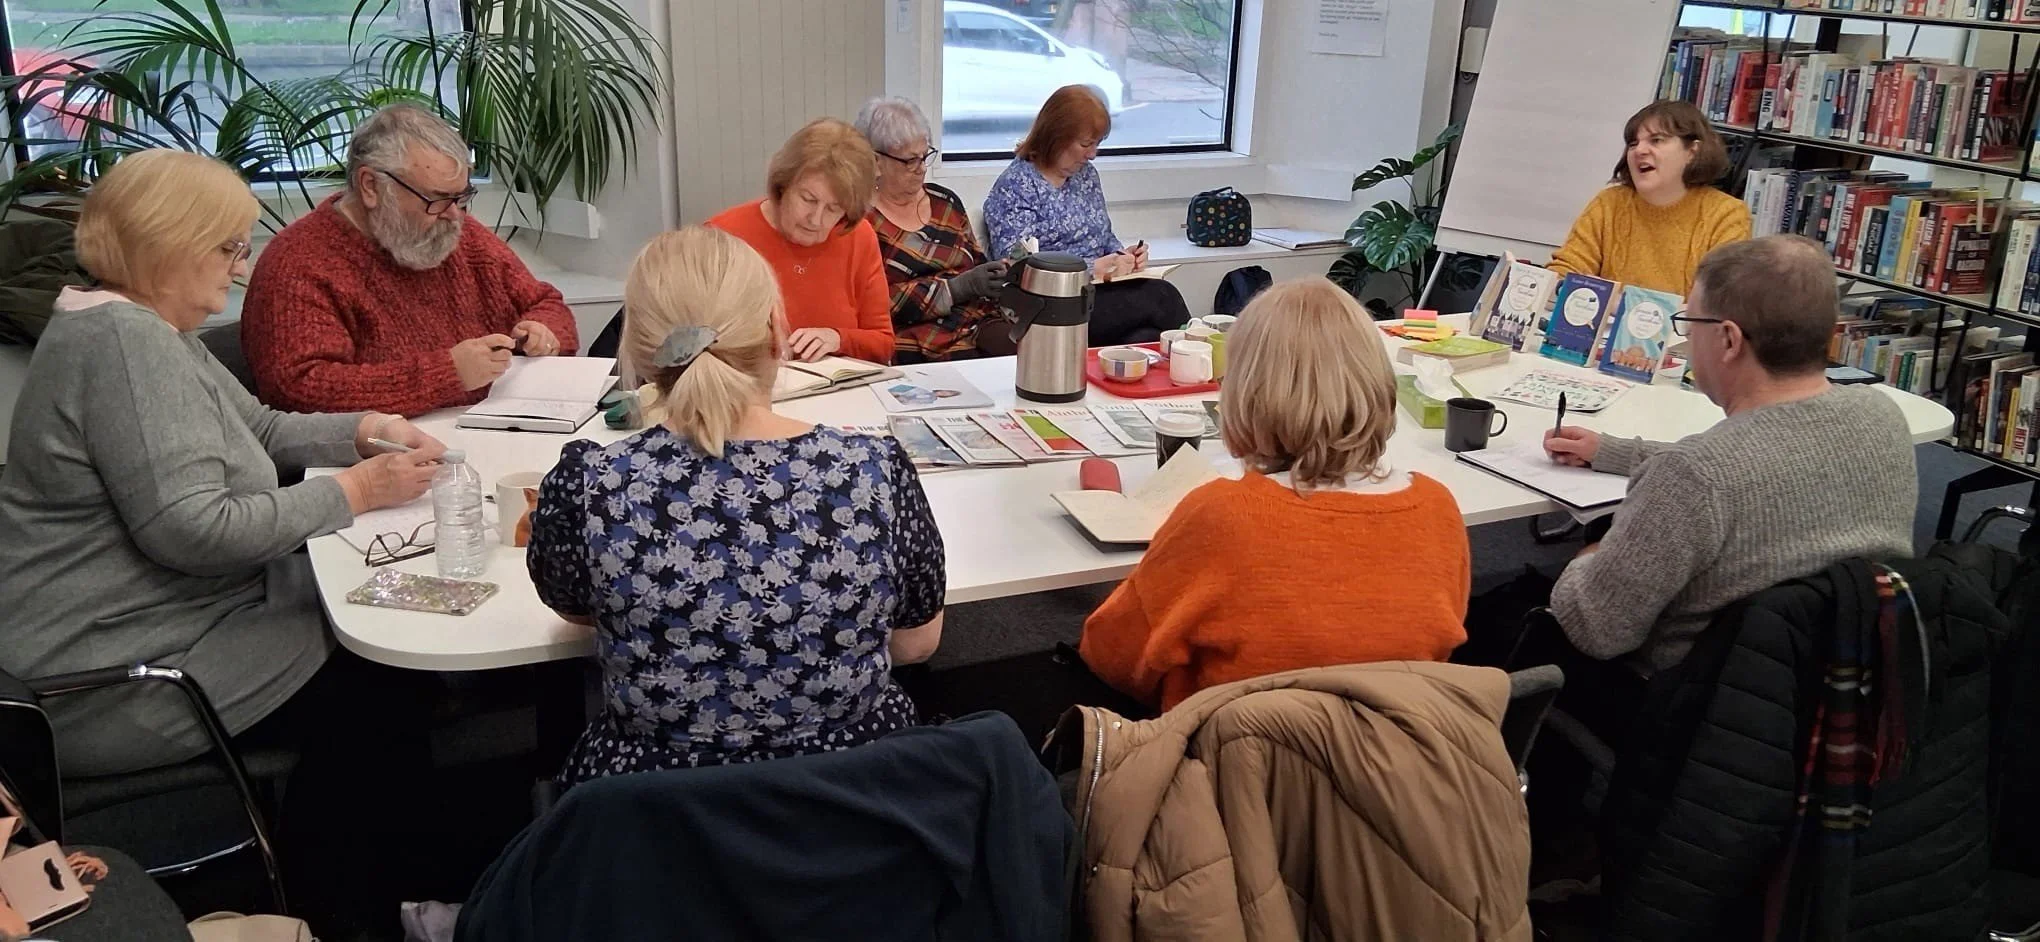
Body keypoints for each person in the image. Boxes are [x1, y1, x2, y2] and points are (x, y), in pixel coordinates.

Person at [0, 149, 446, 777]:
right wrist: (358, 490)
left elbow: (258, 427)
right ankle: (357, 868)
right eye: (229, 249)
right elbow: (197, 529)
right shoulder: (127, 344)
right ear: (172, 245)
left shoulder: (133, 322)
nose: (240, 273)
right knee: (381, 665)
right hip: (119, 675)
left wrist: (365, 431)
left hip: (169, 620)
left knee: (376, 619)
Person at [527, 226, 946, 785]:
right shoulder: (876, 470)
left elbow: (579, 614)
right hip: (858, 809)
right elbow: (917, 643)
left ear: (638, 356)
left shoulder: (589, 484)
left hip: (657, 820)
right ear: (778, 330)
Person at [1079, 277, 1471, 712]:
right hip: (1391, 762)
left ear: (1243, 394)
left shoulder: (1220, 514)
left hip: (1231, 766)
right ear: (1379, 386)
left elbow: (1113, 657)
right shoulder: (1437, 507)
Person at [1544, 234, 1916, 684]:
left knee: (1498, 616)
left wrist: (1591, 554)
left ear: (1727, 339)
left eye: (1689, 322)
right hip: (1838, 682)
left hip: (1679, 706)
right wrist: (1617, 452)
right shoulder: (1883, 416)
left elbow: (1595, 629)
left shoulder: (1694, 478)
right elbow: (1775, 458)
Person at [241, 103, 580, 416]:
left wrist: (543, 331)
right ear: (371, 186)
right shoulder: (298, 263)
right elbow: (299, 390)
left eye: (461, 197)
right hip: (379, 463)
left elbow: (546, 302)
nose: (454, 215)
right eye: (435, 199)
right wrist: (447, 374)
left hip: (494, 434)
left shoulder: (457, 231)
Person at [982, 85, 1191, 346]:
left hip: (1098, 294)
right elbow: (1017, 269)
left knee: (1146, 338)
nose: (1092, 154)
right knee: (1162, 297)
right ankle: (1212, 373)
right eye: (1085, 144)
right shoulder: (1016, 186)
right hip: (1047, 305)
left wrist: (1125, 257)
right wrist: (1091, 269)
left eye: (1097, 144)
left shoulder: (1086, 176)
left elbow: (1104, 239)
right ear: (1055, 137)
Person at [707, 118, 895, 363]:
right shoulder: (722, 237)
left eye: (833, 209)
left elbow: (883, 343)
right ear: (783, 185)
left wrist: (838, 339)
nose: (816, 220)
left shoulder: (858, 237)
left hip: (837, 396)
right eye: (808, 199)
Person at [855, 96, 1015, 362]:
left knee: (1033, 354)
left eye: (925, 156)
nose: (921, 169)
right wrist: (954, 289)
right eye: (909, 161)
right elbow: (873, 305)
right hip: (912, 338)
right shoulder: (861, 221)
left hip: (976, 325)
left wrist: (999, 275)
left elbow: (977, 264)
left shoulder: (946, 202)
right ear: (875, 162)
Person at [1545, 100, 1750, 296]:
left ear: (1692, 152)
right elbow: (1566, 271)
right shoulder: (1610, 202)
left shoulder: (1727, 214)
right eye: (1633, 144)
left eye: (1656, 140)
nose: (1639, 151)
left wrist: (1618, 303)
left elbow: (1717, 302)